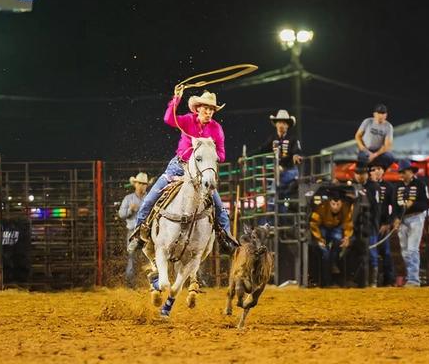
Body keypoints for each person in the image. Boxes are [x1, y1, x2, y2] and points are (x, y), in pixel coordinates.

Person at [130, 87, 239, 250]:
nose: (209, 112)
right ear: (198, 108)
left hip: (201, 173)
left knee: (219, 206)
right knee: (150, 198)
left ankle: (226, 238)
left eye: (211, 109)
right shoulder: (188, 120)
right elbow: (168, 119)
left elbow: (221, 155)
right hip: (179, 167)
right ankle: (138, 233)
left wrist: (208, 150)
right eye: (206, 108)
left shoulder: (216, 129)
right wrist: (176, 98)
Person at [247, 109, 303, 200]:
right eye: (280, 122)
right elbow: (262, 149)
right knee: (276, 193)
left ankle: (274, 206)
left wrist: (296, 155)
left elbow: (297, 150)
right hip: (279, 172)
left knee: (275, 191)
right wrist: (247, 156)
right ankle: (276, 208)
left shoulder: (292, 139)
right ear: (276, 124)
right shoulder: (273, 139)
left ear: (288, 126)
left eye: (284, 123)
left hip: (290, 171)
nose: (281, 125)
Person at [394, 159, 429, 287]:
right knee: (404, 250)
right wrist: (396, 219)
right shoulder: (397, 186)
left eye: (403, 172)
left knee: (412, 249)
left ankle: (414, 280)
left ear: (410, 172)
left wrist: (413, 204)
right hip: (402, 220)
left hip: (416, 218)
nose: (401, 175)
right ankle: (410, 277)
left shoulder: (420, 184)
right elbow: (395, 205)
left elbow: (426, 204)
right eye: (400, 172)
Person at [309, 188, 353, 286]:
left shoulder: (346, 208)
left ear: (342, 203)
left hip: (336, 228)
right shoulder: (321, 207)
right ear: (329, 202)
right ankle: (326, 281)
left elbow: (348, 223)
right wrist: (319, 239)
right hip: (322, 228)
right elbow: (314, 223)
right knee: (325, 252)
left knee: (338, 241)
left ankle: (333, 263)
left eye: (338, 204)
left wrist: (347, 237)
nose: (336, 207)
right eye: (333, 204)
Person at [369, 163, 401, 286]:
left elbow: (394, 207)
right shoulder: (367, 185)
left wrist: (388, 223)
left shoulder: (388, 187)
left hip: (382, 224)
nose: (377, 171)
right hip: (369, 224)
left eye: (379, 168)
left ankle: (389, 280)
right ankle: (370, 281)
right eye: (374, 169)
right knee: (371, 253)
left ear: (383, 171)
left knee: (386, 253)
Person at [118, 172, 148, 287]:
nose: (142, 186)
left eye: (144, 184)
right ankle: (131, 285)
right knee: (132, 258)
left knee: (147, 258)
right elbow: (121, 214)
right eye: (140, 183)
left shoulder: (148, 198)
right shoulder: (128, 198)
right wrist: (130, 210)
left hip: (146, 232)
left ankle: (145, 284)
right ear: (135, 184)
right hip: (133, 233)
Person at [355, 104, 395, 169]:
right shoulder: (367, 121)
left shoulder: (388, 126)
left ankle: (381, 172)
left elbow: (387, 145)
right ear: (374, 114)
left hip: (379, 151)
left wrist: (375, 155)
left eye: (383, 113)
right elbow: (358, 136)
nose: (381, 115)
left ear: (386, 115)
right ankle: (365, 172)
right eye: (378, 113)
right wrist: (363, 148)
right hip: (365, 149)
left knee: (390, 158)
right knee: (362, 159)